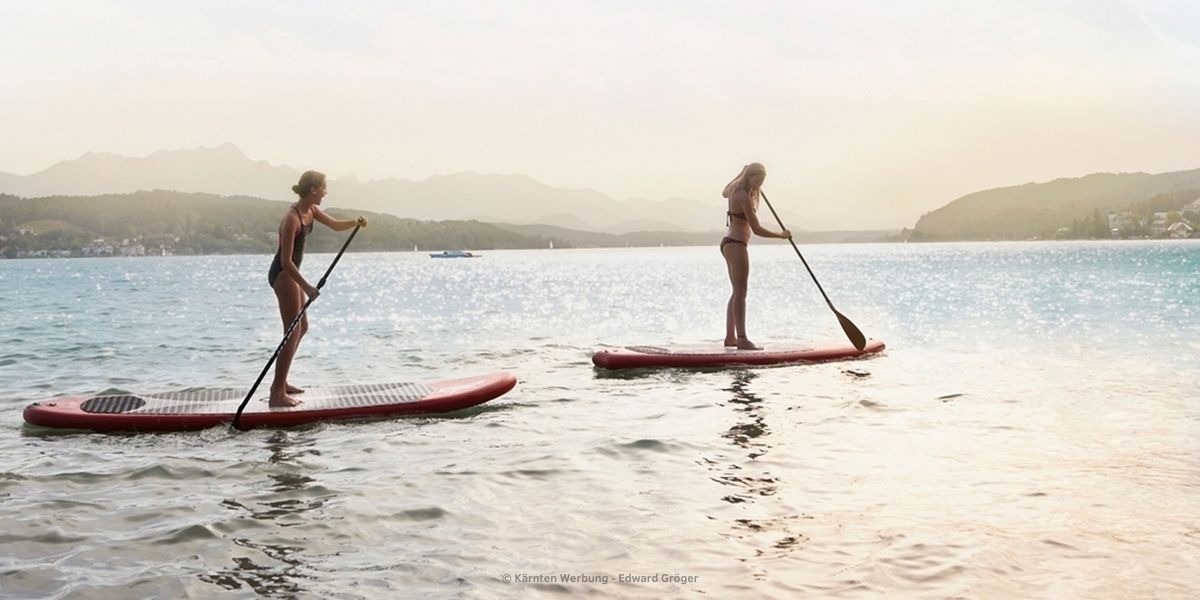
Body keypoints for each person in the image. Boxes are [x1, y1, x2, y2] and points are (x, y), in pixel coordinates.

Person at [267, 170, 367, 407]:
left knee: (302, 328)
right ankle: (276, 393)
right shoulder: (292, 219)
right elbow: (285, 261)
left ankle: (282, 382)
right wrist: (308, 286)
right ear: (313, 189)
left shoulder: (311, 210)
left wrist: (355, 222)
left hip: (291, 275)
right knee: (292, 330)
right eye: (324, 187)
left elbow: (334, 225)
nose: (326, 192)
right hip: (283, 274)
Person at [719, 163, 790, 350]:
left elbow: (724, 192)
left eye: (761, 183)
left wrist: (741, 173)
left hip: (728, 244)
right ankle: (741, 339)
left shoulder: (734, 189)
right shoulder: (743, 196)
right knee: (741, 292)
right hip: (736, 244)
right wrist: (781, 236)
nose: (757, 186)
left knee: (736, 292)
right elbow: (757, 229)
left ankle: (730, 338)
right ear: (748, 177)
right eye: (755, 181)